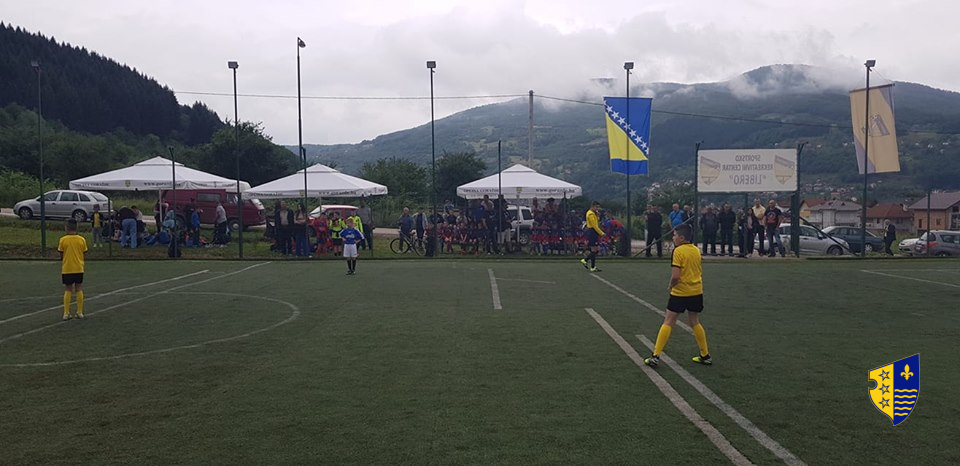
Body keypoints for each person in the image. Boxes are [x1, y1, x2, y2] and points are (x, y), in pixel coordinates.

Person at [643, 224, 711, 368]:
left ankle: (655, 356)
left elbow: (675, 276)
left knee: (668, 321)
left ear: (681, 238)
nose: (673, 238)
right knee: (695, 321)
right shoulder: (696, 250)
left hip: (681, 292)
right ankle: (705, 355)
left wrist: (670, 286)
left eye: (674, 235)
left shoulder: (678, 251)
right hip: (696, 291)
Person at [58, 219, 88, 320]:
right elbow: (84, 252)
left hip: (67, 268)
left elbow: (61, 254)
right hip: (79, 268)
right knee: (79, 288)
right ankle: (79, 312)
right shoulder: (81, 239)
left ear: (66, 227)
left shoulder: (63, 240)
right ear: (77, 227)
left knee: (68, 289)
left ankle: (66, 313)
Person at [579, 201, 605, 272]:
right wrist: (601, 233)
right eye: (596, 207)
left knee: (595, 250)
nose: (597, 209)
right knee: (595, 249)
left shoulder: (593, 213)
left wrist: (597, 215)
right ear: (592, 206)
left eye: (598, 207)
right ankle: (587, 262)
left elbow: (597, 222)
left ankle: (590, 264)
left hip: (593, 232)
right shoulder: (590, 214)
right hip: (592, 232)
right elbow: (594, 226)